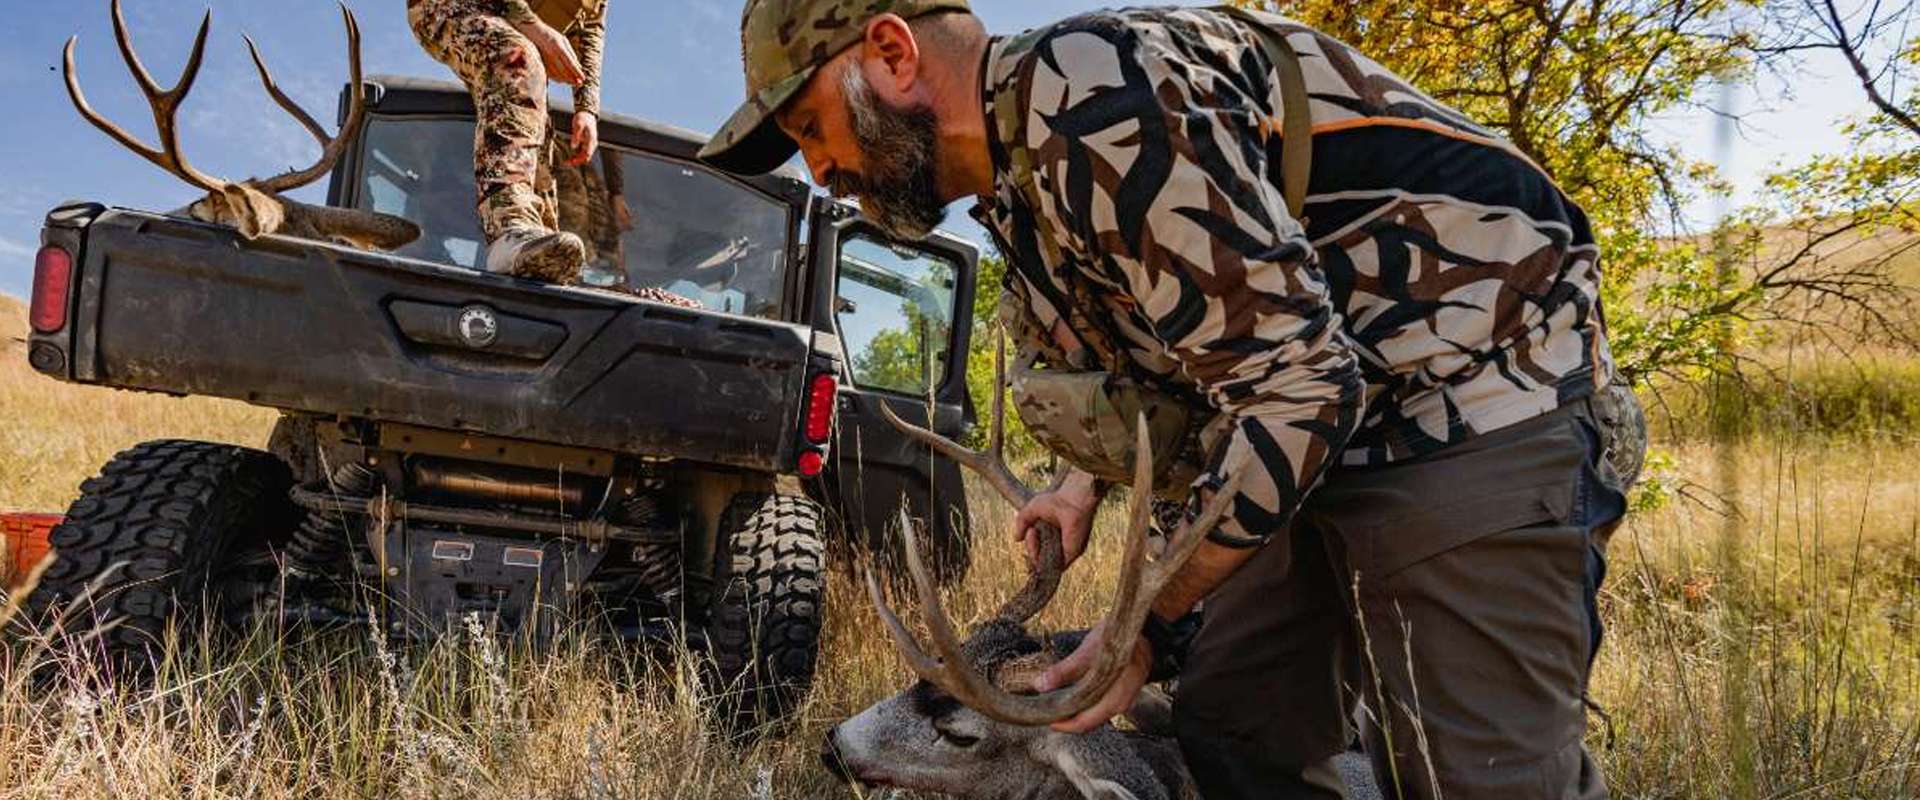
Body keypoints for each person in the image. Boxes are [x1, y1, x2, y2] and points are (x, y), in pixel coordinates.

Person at [701, 2, 1634, 798]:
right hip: (1308, 435)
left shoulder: (1095, 93)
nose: (818, 170)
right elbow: (1174, 339)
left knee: (1477, 771)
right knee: (1235, 724)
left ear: (894, 55)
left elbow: (1304, 386)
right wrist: (1078, 485)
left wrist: (1142, 621)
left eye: (812, 131)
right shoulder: (1021, 189)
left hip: (1479, 393)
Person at [407, 0, 611, 283]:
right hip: (451, 7)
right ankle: (509, 229)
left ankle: (536, 257)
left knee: (532, 129)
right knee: (516, 58)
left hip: (517, 32)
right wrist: (534, 28)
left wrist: (586, 107)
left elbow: (591, 25)